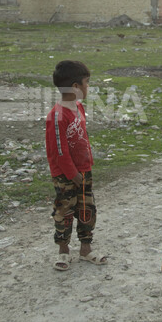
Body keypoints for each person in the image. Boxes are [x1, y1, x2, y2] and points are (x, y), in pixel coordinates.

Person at [45, 60, 106, 271]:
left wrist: (86, 164)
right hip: (65, 175)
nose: (88, 87)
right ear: (74, 87)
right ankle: (63, 251)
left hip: (84, 170)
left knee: (87, 208)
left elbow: (82, 138)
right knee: (65, 211)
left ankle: (85, 249)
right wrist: (72, 174)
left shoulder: (78, 107)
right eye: (86, 83)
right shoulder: (56, 116)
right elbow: (59, 151)